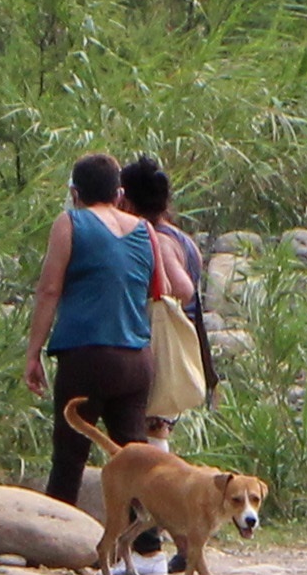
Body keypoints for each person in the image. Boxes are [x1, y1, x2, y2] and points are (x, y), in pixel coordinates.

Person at [25, 153, 154, 505]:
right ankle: (148, 548)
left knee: (70, 455)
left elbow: (50, 289)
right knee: (135, 456)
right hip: (137, 358)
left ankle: (57, 537)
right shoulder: (145, 230)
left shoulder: (69, 223)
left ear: (74, 192)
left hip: (87, 355)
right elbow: (161, 288)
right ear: (119, 193)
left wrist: (34, 351)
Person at [115, 155, 211, 431]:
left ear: (127, 202)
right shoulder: (181, 237)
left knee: (153, 424)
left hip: (161, 343)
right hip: (179, 342)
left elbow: (182, 289)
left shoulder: (156, 238)